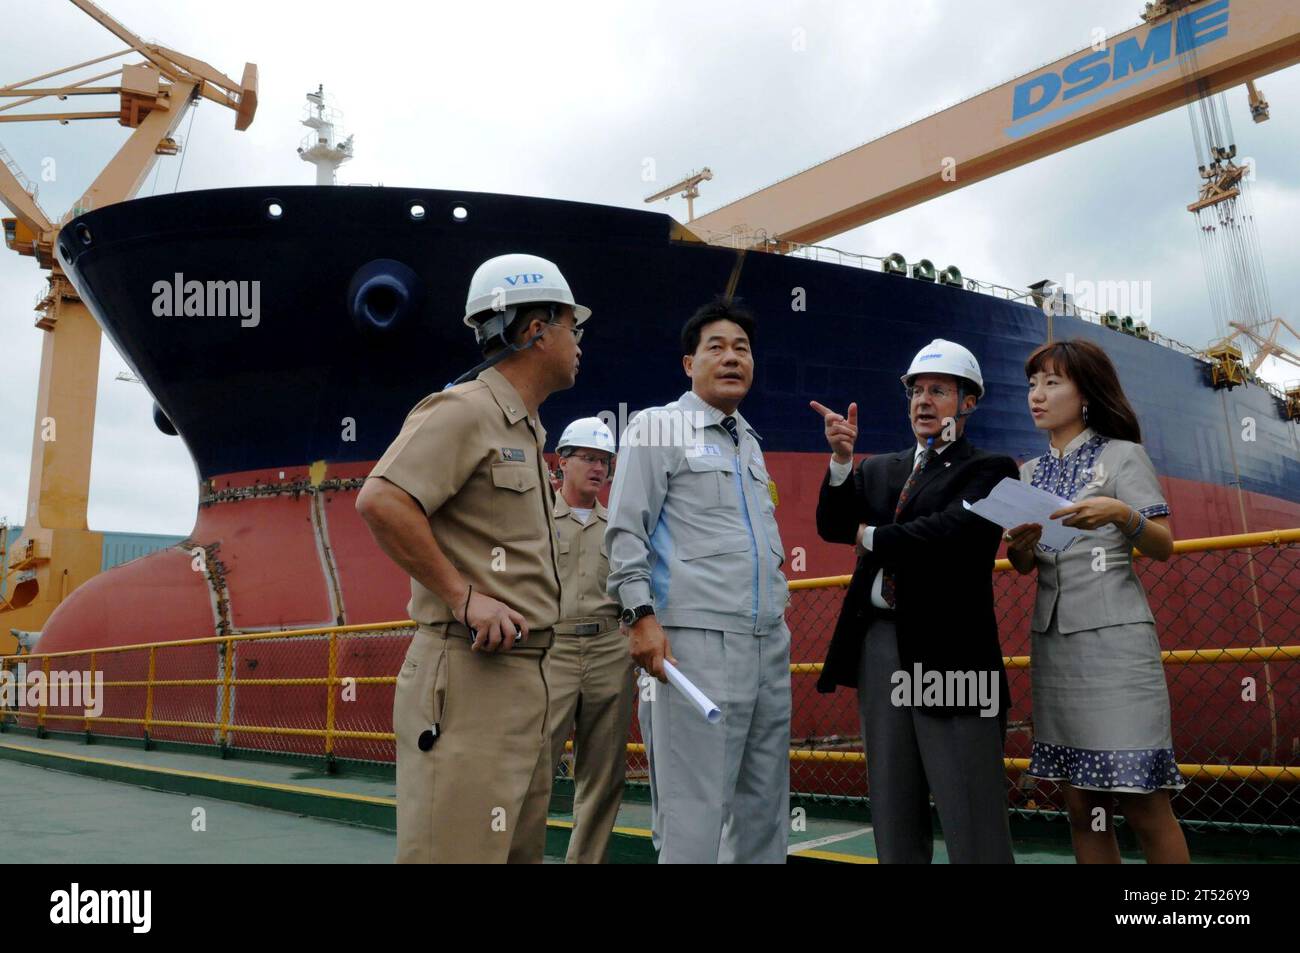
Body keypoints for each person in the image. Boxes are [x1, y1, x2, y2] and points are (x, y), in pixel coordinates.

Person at [355, 252, 588, 863]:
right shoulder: (464, 410)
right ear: (536, 330)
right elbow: (382, 499)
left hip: (527, 677)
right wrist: (462, 596)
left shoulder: (527, 430)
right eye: (572, 325)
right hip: (469, 677)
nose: (579, 340)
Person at [812, 338, 1018, 864]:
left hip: (952, 651)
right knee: (892, 800)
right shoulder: (881, 468)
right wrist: (840, 462)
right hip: (880, 646)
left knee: (970, 806)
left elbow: (957, 534)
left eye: (939, 391)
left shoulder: (991, 469)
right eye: (916, 391)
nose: (923, 402)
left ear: (968, 402)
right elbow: (833, 525)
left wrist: (873, 537)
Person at [605, 296, 791, 864]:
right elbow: (623, 532)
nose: (731, 357)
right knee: (693, 810)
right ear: (689, 363)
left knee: (764, 807)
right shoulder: (658, 427)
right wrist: (641, 618)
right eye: (716, 347)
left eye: (742, 348)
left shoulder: (750, 442)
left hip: (767, 642)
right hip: (694, 646)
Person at [1004, 338, 1189, 864]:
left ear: (1085, 393)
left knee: (1144, 800)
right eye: (1032, 384)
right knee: (1083, 804)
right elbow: (1030, 563)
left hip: (1116, 646)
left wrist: (1120, 514)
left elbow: (1163, 546)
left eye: (1052, 382)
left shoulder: (1122, 456)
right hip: (1055, 649)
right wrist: (1018, 550)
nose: (1036, 395)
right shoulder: (1027, 473)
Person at [546, 416, 636, 863]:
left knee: (603, 775)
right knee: (530, 769)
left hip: (608, 651)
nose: (597, 468)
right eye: (587, 458)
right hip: (551, 650)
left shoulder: (619, 525)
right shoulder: (538, 519)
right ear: (562, 461)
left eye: (604, 461)